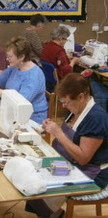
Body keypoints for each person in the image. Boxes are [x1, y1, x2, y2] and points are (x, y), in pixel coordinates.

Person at [26, 73, 108, 218]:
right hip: (69, 162)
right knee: (29, 173)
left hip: (91, 172)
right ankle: (53, 214)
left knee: (41, 184)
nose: (64, 106)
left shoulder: (96, 118)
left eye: (66, 102)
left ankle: (51, 214)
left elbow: (83, 158)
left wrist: (59, 133)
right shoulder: (76, 109)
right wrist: (49, 129)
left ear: (81, 97)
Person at [0, 36, 48, 124]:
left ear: (21, 57)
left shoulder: (34, 76)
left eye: (10, 57)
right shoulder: (15, 67)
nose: (7, 59)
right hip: (12, 111)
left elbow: (20, 101)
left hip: (31, 118)